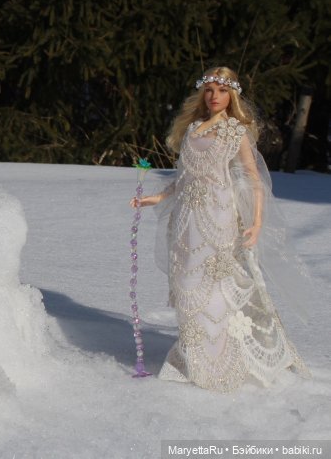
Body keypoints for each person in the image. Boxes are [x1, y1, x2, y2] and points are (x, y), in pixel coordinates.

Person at [132, 66, 310, 392]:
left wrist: (256, 223)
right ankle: (194, 352)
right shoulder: (194, 129)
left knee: (215, 287)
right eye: (210, 90)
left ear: (232, 96)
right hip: (186, 220)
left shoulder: (235, 132)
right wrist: (158, 196)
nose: (215, 96)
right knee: (186, 283)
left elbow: (254, 181)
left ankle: (217, 362)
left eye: (222, 90)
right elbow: (185, 175)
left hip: (218, 218)